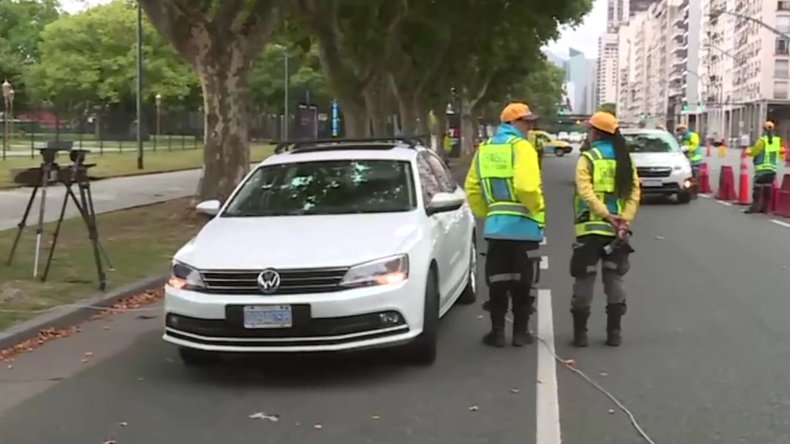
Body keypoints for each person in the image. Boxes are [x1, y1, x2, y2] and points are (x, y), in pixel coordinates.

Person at [465, 102, 545, 348]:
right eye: (525, 122)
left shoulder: (485, 148)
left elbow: (472, 188)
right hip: (525, 227)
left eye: (531, 122)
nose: (530, 126)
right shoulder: (522, 148)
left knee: (497, 280)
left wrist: (489, 213)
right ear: (511, 123)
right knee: (523, 281)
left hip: (496, 228)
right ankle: (521, 333)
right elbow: (527, 187)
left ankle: (497, 332)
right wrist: (537, 207)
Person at [570, 111, 640, 348]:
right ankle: (614, 333)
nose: (588, 133)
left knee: (584, 280)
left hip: (589, 229)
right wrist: (623, 220)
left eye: (589, 129)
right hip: (616, 233)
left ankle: (580, 335)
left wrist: (604, 214)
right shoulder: (626, 160)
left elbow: (585, 192)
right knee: (615, 281)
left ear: (596, 132)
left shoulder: (587, 158)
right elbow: (634, 194)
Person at [743, 121, 782, 214]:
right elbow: (779, 153)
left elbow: (754, 152)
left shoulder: (762, 141)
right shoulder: (777, 141)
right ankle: (765, 208)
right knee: (767, 188)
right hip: (772, 169)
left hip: (761, 168)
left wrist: (747, 151)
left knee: (757, 188)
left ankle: (755, 207)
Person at [676, 123, 702, 196]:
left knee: (694, 178)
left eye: (680, 130)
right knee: (689, 178)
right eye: (678, 131)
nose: (679, 132)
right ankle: (690, 192)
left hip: (694, 160)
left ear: (684, 129)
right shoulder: (683, 137)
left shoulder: (692, 135)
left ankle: (694, 193)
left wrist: (687, 148)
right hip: (687, 160)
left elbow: (694, 145)